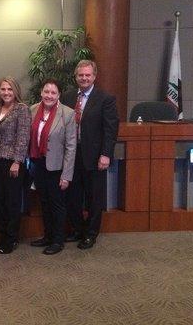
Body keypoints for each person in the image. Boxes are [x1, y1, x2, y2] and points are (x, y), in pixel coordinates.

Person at [60, 59, 119, 250]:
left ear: (94, 76)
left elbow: (110, 129)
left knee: (94, 198)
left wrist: (106, 154)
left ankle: (91, 234)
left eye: (88, 75)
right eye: (81, 75)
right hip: (71, 156)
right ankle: (78, 230)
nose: (84, 78)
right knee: (73, 196)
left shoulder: (105, 98)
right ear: (75, 76)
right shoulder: (67, 97)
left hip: (94, 157)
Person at [29, 79, 76, 255]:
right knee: (44, 203)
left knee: (57, 205)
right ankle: (48, 236)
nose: (49, 96)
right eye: (46, 92)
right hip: (38, 164)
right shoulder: (32, 110)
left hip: (57, 167)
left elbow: (71, 147)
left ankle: (58, 240)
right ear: (41, 93)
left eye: (53, 93)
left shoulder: (67, 114)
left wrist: (67, 175)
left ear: (59, 95)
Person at [0, 76, 31, 254]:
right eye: (3, 89)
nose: (6, 93)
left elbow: (23, 137)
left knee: (11, 202)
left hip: (12, 163)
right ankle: (3, 236)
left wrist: (17, 162)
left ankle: (11, 238)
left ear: (16, 91)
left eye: (9, 89)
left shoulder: (22, 109)